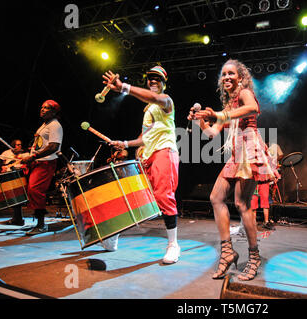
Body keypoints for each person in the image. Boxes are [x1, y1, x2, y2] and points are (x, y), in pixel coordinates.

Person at [188, 59, 279, 281]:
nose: (227, 77)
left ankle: (254, 256)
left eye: (231, 74)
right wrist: (200, 120)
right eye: (224, 74)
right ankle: (228, 251)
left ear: (240, 77)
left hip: (249, 148)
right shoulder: (228, 105)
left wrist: (219, 115)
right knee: (216, 197)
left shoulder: (245, 93)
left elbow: (253, 108)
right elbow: (211, 133)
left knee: (242, 204)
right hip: (237, 153)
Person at [102, 66, 180, 264]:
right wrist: (126, 144)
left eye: (157, 79)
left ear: (164, 82)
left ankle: (173, 245)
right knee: (133, 196)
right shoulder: (148, 110)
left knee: (164, 196)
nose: (153, 81)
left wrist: (124, 88)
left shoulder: (166, 101)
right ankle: (114, 236)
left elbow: (153, 98)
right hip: (148, 155)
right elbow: (145, 138)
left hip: (165, 152)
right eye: (150, 78)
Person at [2, 100, 63, 233]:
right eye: (42, 107)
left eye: (46, 108)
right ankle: (17, 218)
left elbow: (54, 146)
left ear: (54, 112)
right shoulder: (44, 125)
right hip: (36, 162)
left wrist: (33, 157)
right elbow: (40, 145)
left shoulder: (55, 126)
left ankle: (41, 224)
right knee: (19, 185)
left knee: (35, 190)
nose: (42, 109)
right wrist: (27, 154)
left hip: (45, 163)